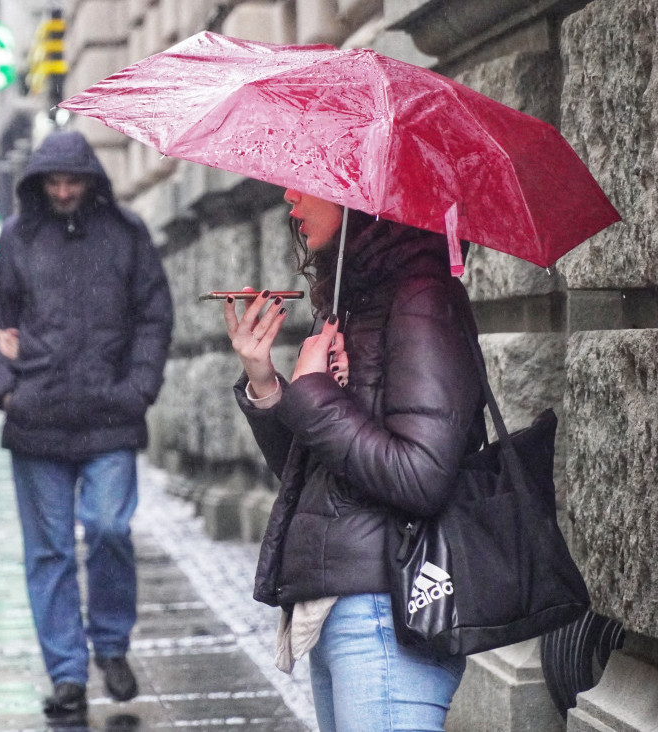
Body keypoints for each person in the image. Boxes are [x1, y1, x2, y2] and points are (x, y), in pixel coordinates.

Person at [223, 190, 486, 732]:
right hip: (341, 605)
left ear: (362, 199)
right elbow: (313, 478)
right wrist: (265, 379)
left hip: (386, 613)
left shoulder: (421, 300)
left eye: (306, 181)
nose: (289, 194)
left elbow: (422, 477)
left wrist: (316, 392)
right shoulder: (353, 303)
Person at [0, 130, 173, 719]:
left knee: (110, 527)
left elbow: (154, 317)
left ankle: (111, 646)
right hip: (36, 419)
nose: (63, 190)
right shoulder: (16, 239)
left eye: (72, 180)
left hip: (110, 416)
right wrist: (6, 392)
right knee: (49, 553)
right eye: (53, 182)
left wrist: (139, 388)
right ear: (38, 184)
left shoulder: (127, 234)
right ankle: (66, 673)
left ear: (91, 180)